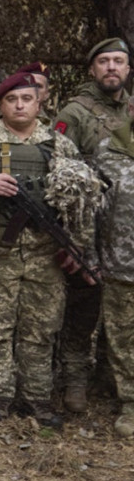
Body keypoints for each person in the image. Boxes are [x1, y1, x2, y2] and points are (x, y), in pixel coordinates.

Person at [0, 72, 90, 429]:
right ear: (1, 104)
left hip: (44, 252)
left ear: (40, 103)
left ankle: (37, 396)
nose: (19, 105)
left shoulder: (59, 145)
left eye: (26, 99)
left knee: (41, 328)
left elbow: (79, 203)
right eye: (11, 100)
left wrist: (76, 246)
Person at [55, 37, 132, 414]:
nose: (112, 67)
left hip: (126, 232)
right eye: (104, 62)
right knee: (84, 308)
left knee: (121, 312)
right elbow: (57, 170)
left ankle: (110, 377)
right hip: (89, 229)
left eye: (119, 61)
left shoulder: (133, 110)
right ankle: (75, 381)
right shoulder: (76, 112)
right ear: (92, 69)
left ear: (128, 68)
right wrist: (72, 239)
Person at [96, 107, 134, 437]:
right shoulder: (107, 151)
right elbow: (95, 206)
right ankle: (130, 403)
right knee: (122, 338)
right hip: (121, 263)